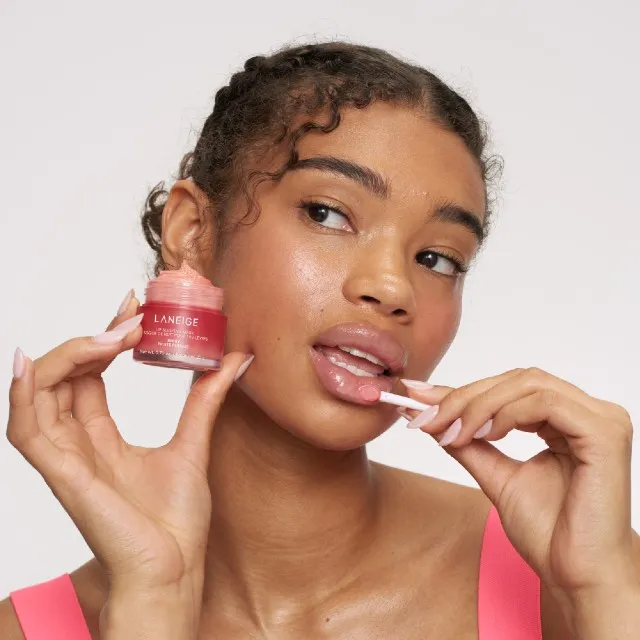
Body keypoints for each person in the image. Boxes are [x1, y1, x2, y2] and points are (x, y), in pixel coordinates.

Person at [1, 41, 638, 640]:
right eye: (328, 213)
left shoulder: (578, 573)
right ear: (193, 232)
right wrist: (154, 600)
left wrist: (601, 592)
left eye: (438, 258)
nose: (393, 288)